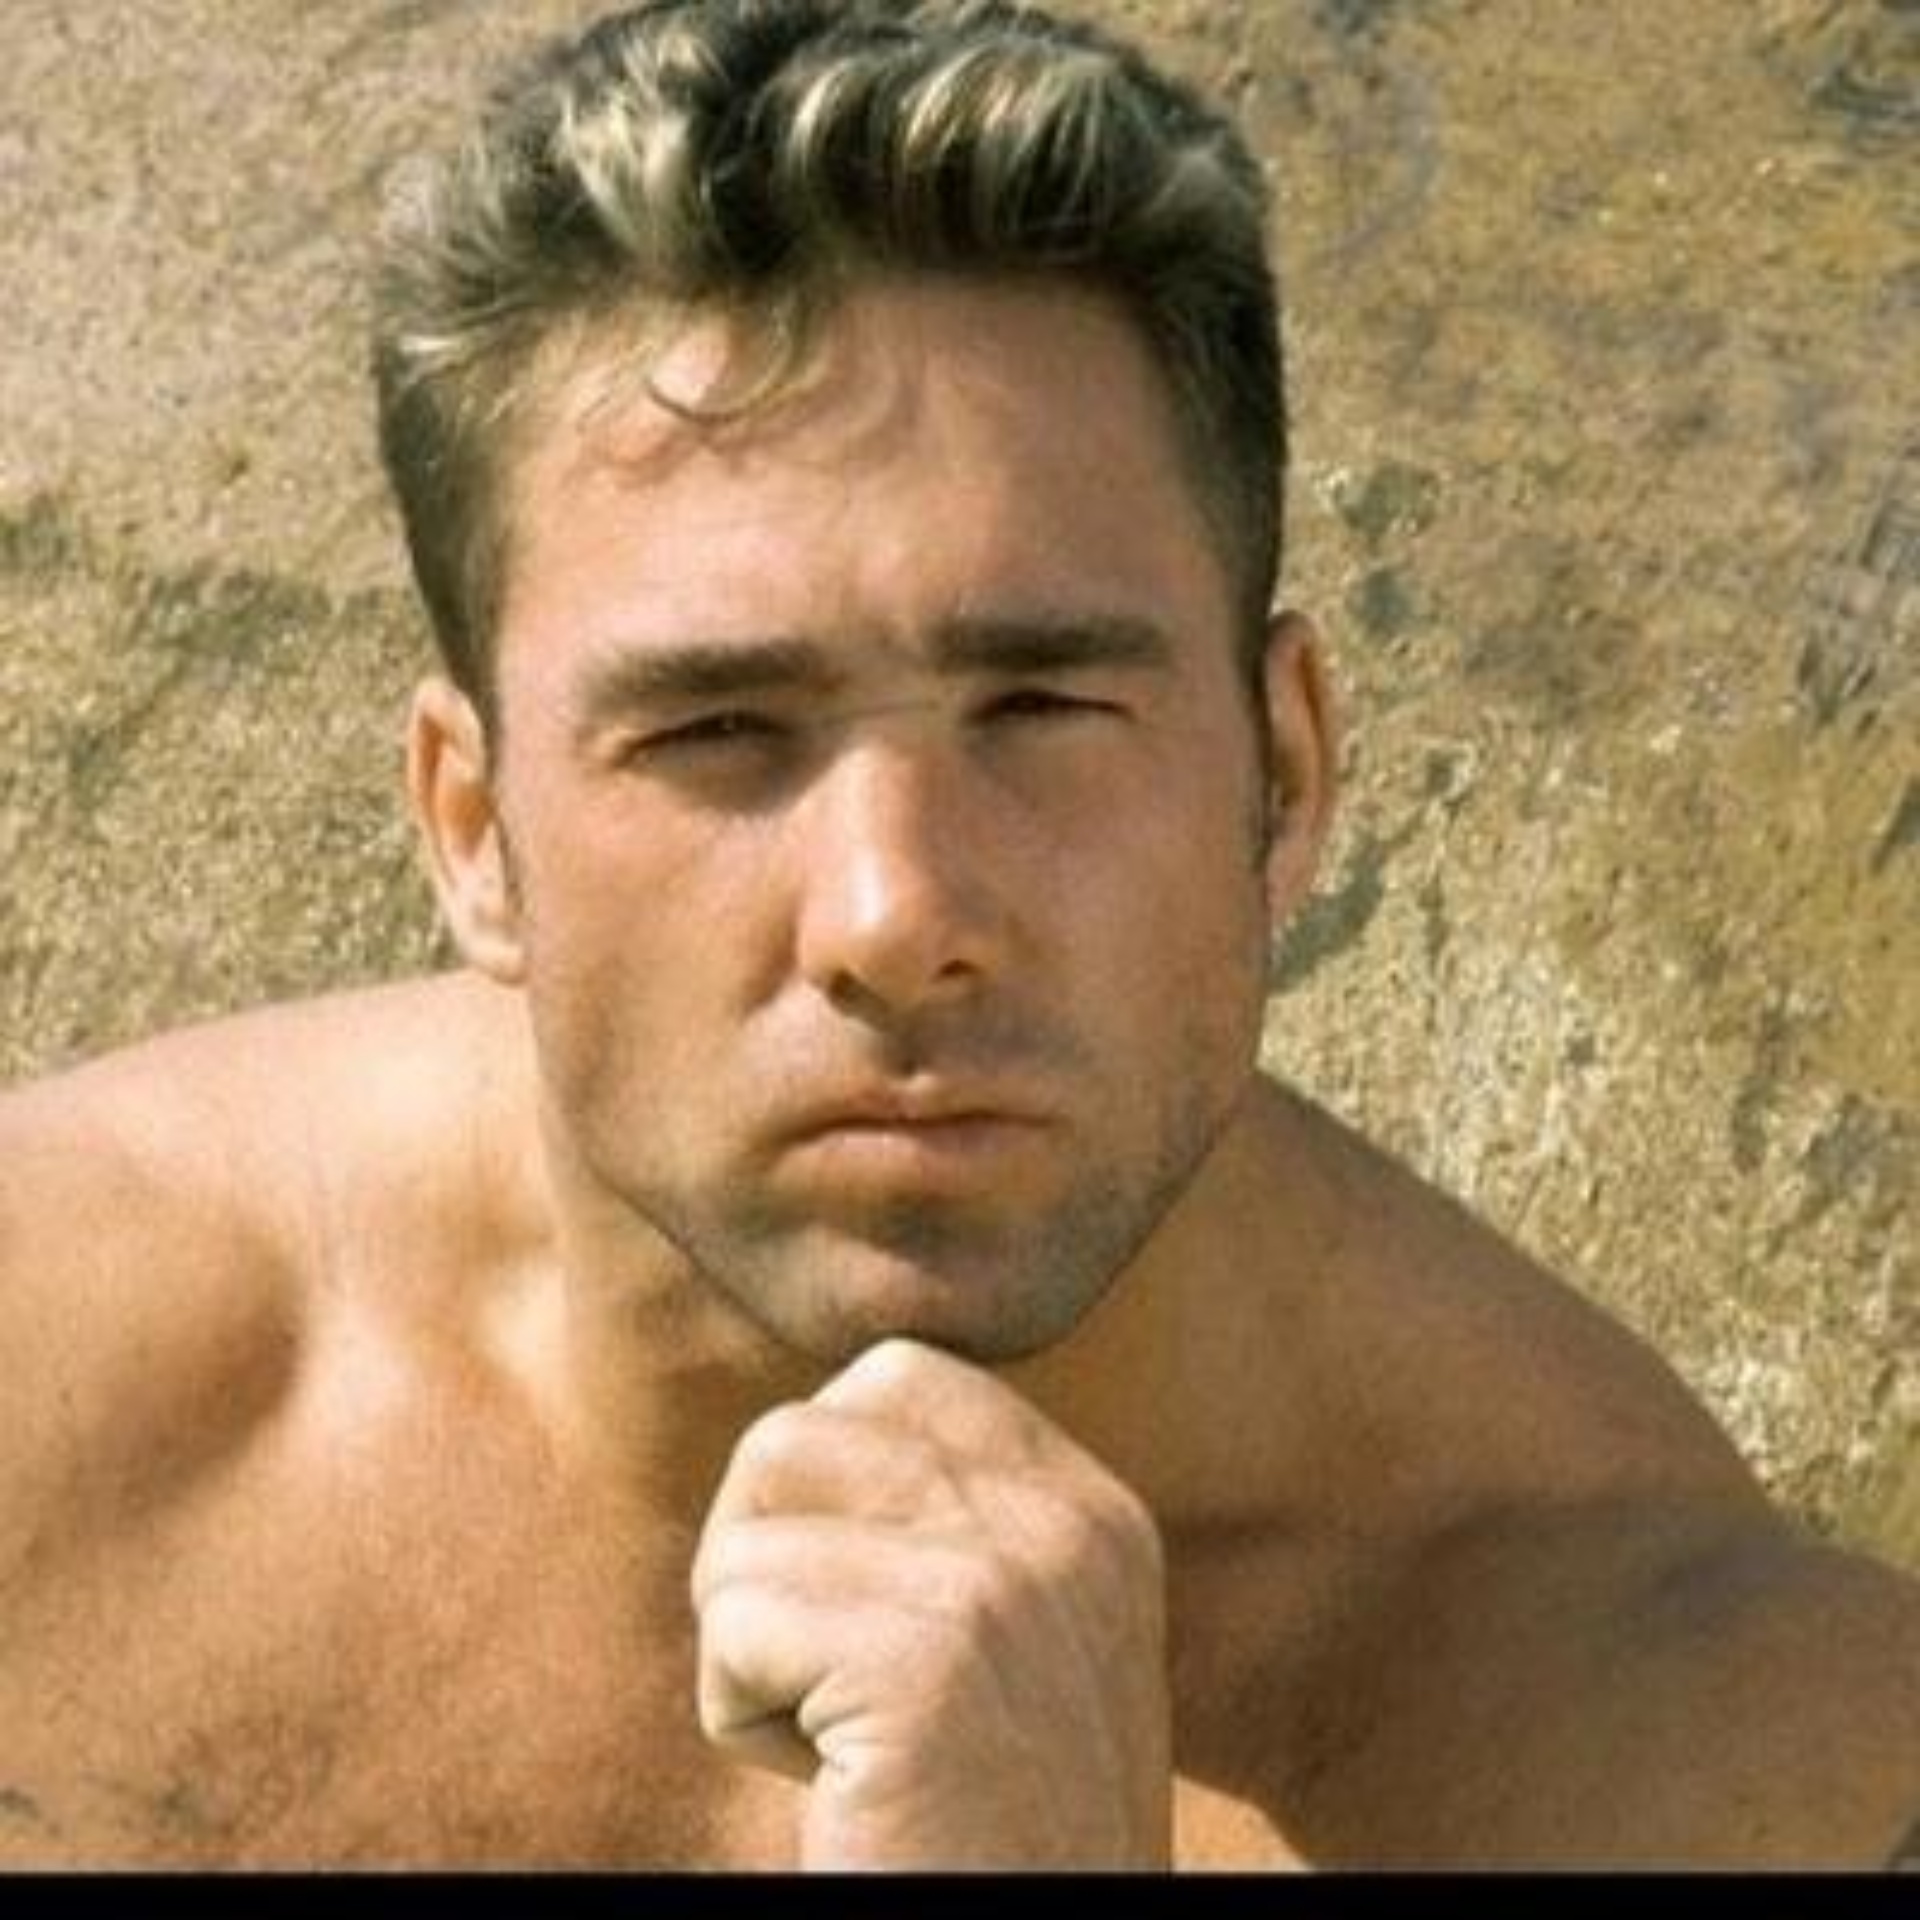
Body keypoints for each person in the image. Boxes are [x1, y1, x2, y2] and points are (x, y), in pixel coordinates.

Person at [1, 0, 1915, 1871]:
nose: (894, 914)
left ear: (1284, 776)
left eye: (1044, 709)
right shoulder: (51, 1411)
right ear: (474, 834)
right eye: (717, 731)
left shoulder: (1725, 1759)